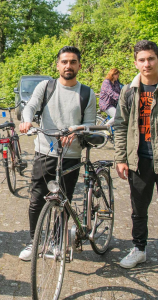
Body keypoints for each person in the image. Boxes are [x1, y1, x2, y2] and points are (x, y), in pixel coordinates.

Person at [18, 46, 97, 261]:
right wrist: (26, 119)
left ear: (79, 65)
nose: (68, 66)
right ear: (58, 65)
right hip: (45, 151)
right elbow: (30, 106)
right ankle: (34, 242)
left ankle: (56, 241)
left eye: (72, 62)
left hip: (71, 154)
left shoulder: (87, 93)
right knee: (37, 200)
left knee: (63, 201)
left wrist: (77, 130)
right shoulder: (46, 87)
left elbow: (89, 124)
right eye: (64, 62)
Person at [115, 40, 158, 269]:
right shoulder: (128, 90)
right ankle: (139, 249)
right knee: (138, 210)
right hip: (140, 160)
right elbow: (120, 125)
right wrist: (121, 158)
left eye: (150, 58)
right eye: (142, 60)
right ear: (135, 63)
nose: (146, 63)